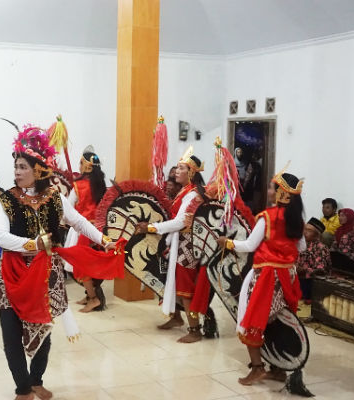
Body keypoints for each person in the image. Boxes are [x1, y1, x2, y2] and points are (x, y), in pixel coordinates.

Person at [0, 126, 115, 400]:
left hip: (46, 272)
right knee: (11, 330)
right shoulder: (7, 200)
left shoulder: (54, 198)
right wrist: (33, 244)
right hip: (13, 273)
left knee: (44, 324)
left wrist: (104, 239)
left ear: (38, 170)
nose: (17, 172)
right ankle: (22, 388)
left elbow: (80, 221)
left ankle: (36, 380)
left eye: (23, 166)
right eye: (15, 166)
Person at [216, 169, 305, 385]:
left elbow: (249, 245)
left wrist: (226, 243)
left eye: (272, 187)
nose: (268, 191)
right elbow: (301, 247)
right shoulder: (297, 219)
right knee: (277, 321)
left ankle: (257, 368)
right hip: (288, 276)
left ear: (282, 193)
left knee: (253, 321)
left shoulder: (268, 217)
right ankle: (278, 369)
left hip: (266, 277)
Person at [135, 146, 207, 343]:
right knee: (172, 281)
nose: (177, 171)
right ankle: (176, 317)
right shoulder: (186, 191)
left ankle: (195, 329)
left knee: (185, 288)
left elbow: (181, 222)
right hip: (177, 243)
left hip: (187, 246)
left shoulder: (192, 194)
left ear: (191, 172)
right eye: (177, 167)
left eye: (181, 168)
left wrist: (151, 227)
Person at [67, 147, 108, 312]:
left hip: (82, 230)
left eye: (81, 162)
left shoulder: (78, 186)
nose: (79, 165)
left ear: (86, 166)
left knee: (80, 265)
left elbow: (68, 208)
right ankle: (89, 293)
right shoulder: (101, 184)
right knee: (92, 264)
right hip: (98, 230)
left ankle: (93, 298)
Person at [295, 217, 330, 303]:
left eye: (309, 230)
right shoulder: (300, 244)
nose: (305, 232)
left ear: (317, 234)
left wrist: (304, 270)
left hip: (310, 283)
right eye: (305, 229)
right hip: (297, 278)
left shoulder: (321, 248)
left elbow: (321, 270)